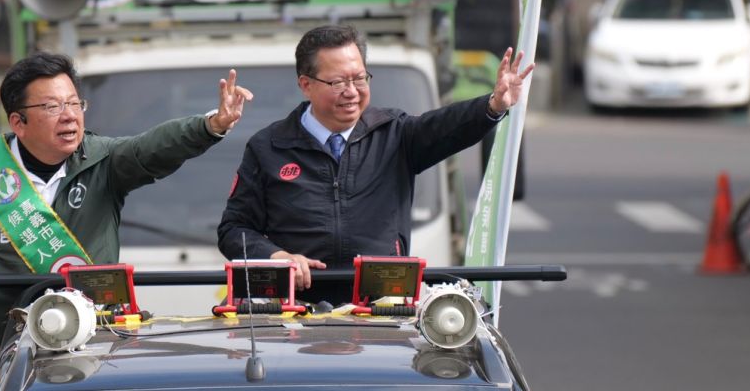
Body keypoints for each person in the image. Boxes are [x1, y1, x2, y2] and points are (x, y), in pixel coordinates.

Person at [0, 51, 253, 355]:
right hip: (14, 349)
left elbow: (151, 148)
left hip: (97, 343)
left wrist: (210, 125)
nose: (69, 117)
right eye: (52, 107)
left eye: (74, 104)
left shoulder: (103, 161)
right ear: (18, 123)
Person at [216, 24, 532, 305]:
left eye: (359, 78)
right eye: (338, 82)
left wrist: (493, 105)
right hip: (294, 315)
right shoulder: (268, 146)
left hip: (381, 311)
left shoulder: (395, 133)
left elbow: (446, 127)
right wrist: (276, 257)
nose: (352, 92)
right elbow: (234, 230)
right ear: (305, 84)